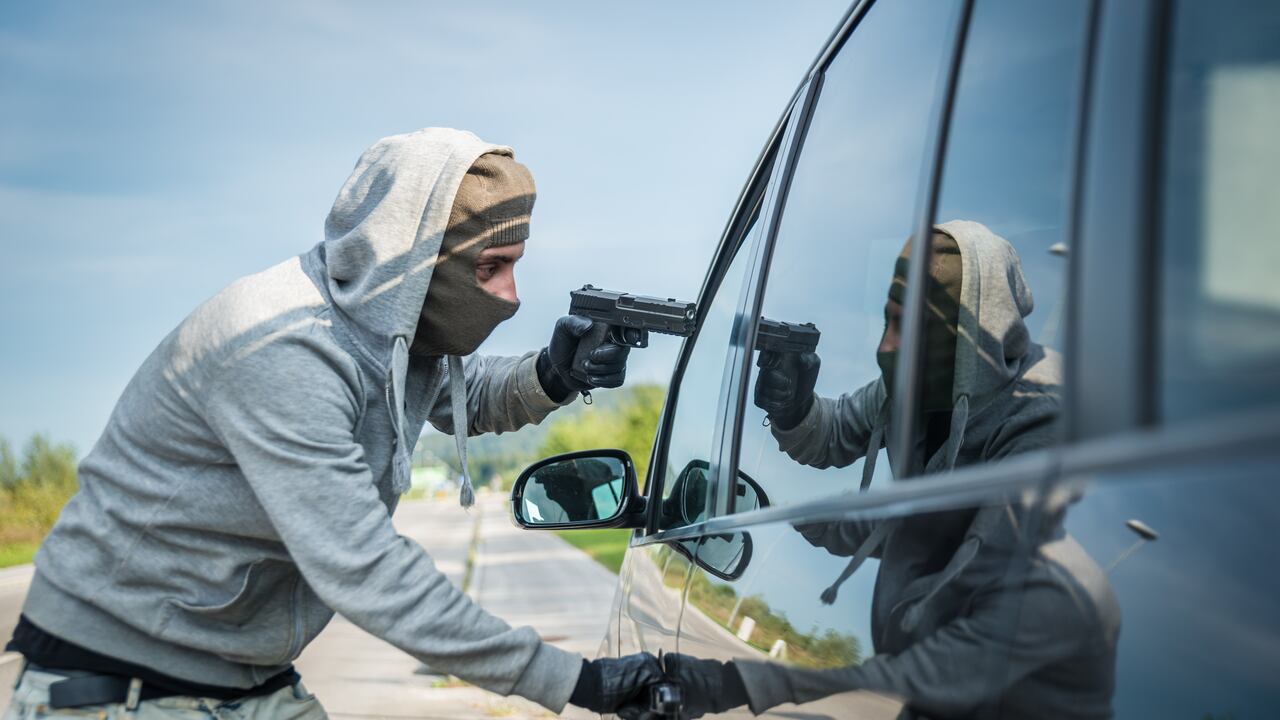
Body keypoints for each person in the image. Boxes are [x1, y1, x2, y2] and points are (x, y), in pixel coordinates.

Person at [3, 128, 661, 719]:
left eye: (516, 265)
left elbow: (457, 389)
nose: (512, 296)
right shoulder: (283, 348)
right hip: (117, 681)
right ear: (416, 259)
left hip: (240, 675)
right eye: (491, 268)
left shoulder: (381, 323)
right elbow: (364, 567)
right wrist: (577, 682)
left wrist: (553, 372)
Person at [639, 221, 1119, 719]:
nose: (884, 348)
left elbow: (981, 591)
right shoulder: (911, 386)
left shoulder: (1043, 415)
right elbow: (833, 434)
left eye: (908, 329)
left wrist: (732, 685)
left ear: (968, 341)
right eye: (888, 320)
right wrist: (793, 407)